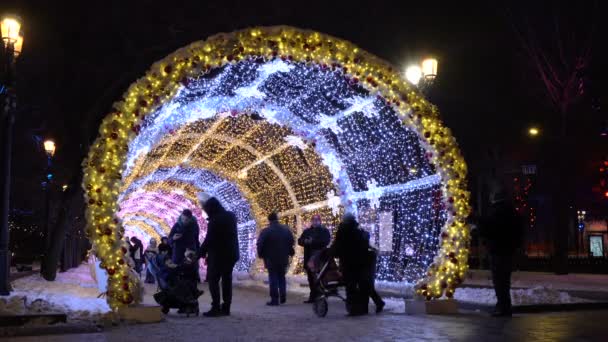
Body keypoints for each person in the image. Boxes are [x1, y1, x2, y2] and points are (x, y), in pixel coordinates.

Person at [479, 190, 524, 317]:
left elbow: (488, 230)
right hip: (509, 250)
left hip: (497, 250)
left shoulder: (494, 212)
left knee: (499, 280)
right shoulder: (513, 212)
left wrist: (479, 226)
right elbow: (519, 231)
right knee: (505, 280)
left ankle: (502, 306)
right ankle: (506, 306)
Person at [198, 194, 239, 317]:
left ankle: (215, 307)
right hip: (231, 254)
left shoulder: (215, 220)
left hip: (218, 255)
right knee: (227, 280)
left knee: (213, 280)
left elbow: (209, 240)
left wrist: (199, 254)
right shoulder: (231, 216)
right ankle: (226, 307)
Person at [330, 213, 371, 316]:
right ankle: (361, 308)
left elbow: (338, 245)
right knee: (360, 285)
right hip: (360, 262)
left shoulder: (342, 230)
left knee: (350, 286)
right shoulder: (358, 231)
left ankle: (353, 309)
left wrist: (333, 253)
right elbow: (364, 244)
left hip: (347, 262)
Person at [257, 212, 295, 306]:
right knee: (282, 276)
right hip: (283, 257)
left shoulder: (266, 231)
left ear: (269, 220)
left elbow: (260, 244)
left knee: (273, 277)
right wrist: (289, 252)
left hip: (271, 258)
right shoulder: (286, 230)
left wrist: (261, 255)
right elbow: (291, 241)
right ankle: (283, 295)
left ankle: (274, 299)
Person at [297, 214, 331, 303]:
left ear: (320, 221)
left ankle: (321, 296)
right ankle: (313, 296)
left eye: (317, 220)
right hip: (309, 257)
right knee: (311, 278)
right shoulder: (307, 231)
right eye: (313, 220)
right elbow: (300, 240)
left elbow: (326, 241)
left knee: (320, 277)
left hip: (320, 258)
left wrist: (313, 242)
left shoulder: (324, 231)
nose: (315, 222)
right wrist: (305, 241)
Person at [361, 230, 385, 313]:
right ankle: (376, 304)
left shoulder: (367, 251)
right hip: (368, 272)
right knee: (367, 288)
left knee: (366, 288)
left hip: (366, 272)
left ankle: (376, 304)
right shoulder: (370, 250)